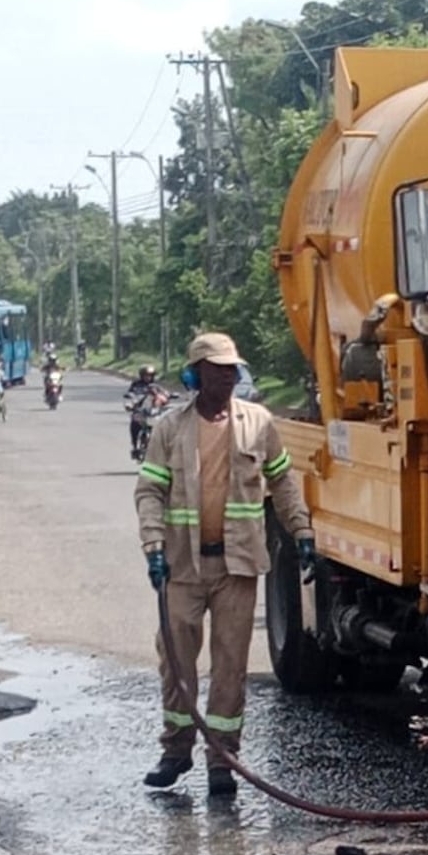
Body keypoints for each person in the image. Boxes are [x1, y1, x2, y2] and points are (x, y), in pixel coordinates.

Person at [134, 332, 317, 797]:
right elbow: (149, 492)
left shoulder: (258, 423)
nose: (229, 376)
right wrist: (153, 545)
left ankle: (223, 759)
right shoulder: (169, 429)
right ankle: (176, 751)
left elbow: (283, 483)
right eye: (218, 370)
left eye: (233, 369)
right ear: (196, 375)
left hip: (237, 566)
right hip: (181, 567)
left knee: (231, 666)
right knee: (176, 662)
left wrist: (302, 532)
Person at [123, 365, 170, 459]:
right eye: (145, 375)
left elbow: (165, 394)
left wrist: (169, 396)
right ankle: (135, 446)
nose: (147, 377)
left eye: (150, 375)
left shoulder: (156, 386)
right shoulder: (136, 385)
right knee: (134, 425)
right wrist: (131, 402)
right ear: (141, 376)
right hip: (140, 411)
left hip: (153, 413)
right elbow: (130, 395)